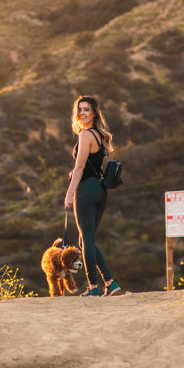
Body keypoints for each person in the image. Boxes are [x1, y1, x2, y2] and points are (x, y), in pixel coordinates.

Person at [63, 94, 123, 297]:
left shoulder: (86, 135)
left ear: (94, 112)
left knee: (86, 241)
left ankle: (93, 287)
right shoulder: (100, 135)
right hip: (100, 190)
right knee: (86, 240)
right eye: (79, 109)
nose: (82, 113)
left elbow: (80, 167)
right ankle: (111, 283)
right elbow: (90, 165)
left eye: (86, 109)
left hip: (87, 191)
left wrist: (70, 194)